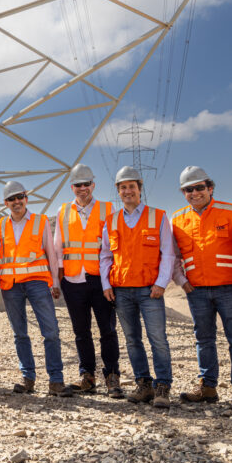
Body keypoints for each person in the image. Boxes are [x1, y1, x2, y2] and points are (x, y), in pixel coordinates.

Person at [171, 166, 232, 410]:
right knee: (204, 338)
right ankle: (208, 387)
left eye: (199, 187)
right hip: (196, 290)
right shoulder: (177, 219)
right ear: (183, 193)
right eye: (188, 189)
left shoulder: (231, 211)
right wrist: (181, 281)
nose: (195, 193)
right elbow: (173, 256)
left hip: (229, 287)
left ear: (210, 188)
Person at [100, 166, 176, 408]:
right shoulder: (111, 221)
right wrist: (106, 284)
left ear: (139, 189)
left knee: (158, 339)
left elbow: (168, 253)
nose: (127, 191)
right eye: (123, 187)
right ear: (118, 191)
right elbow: (105, 256)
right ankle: (144, 384)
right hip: (122, 290)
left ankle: (162, 386)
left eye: (131, 186)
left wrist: (161, 283)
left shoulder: (158, 216)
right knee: (133, 340)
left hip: (149, 290)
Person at [54, 163, 122, 398]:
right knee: (81, 332)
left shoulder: (108, 209)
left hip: (100, 280)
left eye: (86, 184)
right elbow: (58, 248)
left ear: (93, 185)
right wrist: (57, 281)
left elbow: (115, 245)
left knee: (107, 330)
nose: (82, 188)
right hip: (73, 280)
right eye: (78, 185)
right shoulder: (63, 211)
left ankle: (112, 376)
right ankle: (87, 376)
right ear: (72, 187)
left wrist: (112, 280)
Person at [0, 181, 72, 397]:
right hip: (11, 285)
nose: (16, 201)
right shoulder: (1, 225)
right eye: (11, 199)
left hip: (37, 282)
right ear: (5, 203)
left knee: (51, 331)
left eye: (19, 197)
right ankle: (27, 378)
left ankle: (56, 381)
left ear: (26, 198)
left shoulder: (40, 221)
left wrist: (55, 282)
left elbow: (51, 253)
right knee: (20, 334)